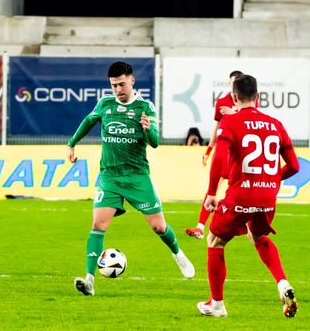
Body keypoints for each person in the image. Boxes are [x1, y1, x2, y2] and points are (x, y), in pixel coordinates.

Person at [68, 61, 195, 296]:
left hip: (137, 177)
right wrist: (72, 143)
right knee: (98, 225)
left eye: (122, 84)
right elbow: (88, 121)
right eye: (114, 85)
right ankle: (89, 280)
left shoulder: (145, 107)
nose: (118, 89)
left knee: (159, 226)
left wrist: (147, 129)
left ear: (132, 81)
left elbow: (155, 142)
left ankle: (178, 254)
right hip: (110, 177)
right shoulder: (105, 105)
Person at [197, 74, 299, 318]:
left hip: (240, 196)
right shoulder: (275, 124)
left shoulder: (230, 121)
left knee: (215, 240)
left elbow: (219, 159)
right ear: (258, 97)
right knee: (258, 235)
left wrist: (211, 193)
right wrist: (272, 179)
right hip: (267, 197)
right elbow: (295, 166)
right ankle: (282, 282)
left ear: (234, 97)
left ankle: (217, 305)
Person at [186, 70, 246, 239]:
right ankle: (200, 228)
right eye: (232, 82)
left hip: (242, 154)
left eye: (238, 82)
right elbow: (217, 129)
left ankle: (247, 227)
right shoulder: (222, 102)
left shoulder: (248, 100)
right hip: (225, 152)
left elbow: (252, 120)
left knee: (241, 194)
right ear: (229, 83)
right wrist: (208, 150)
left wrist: (235, 113)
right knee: (212, 189)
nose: (234, 85)